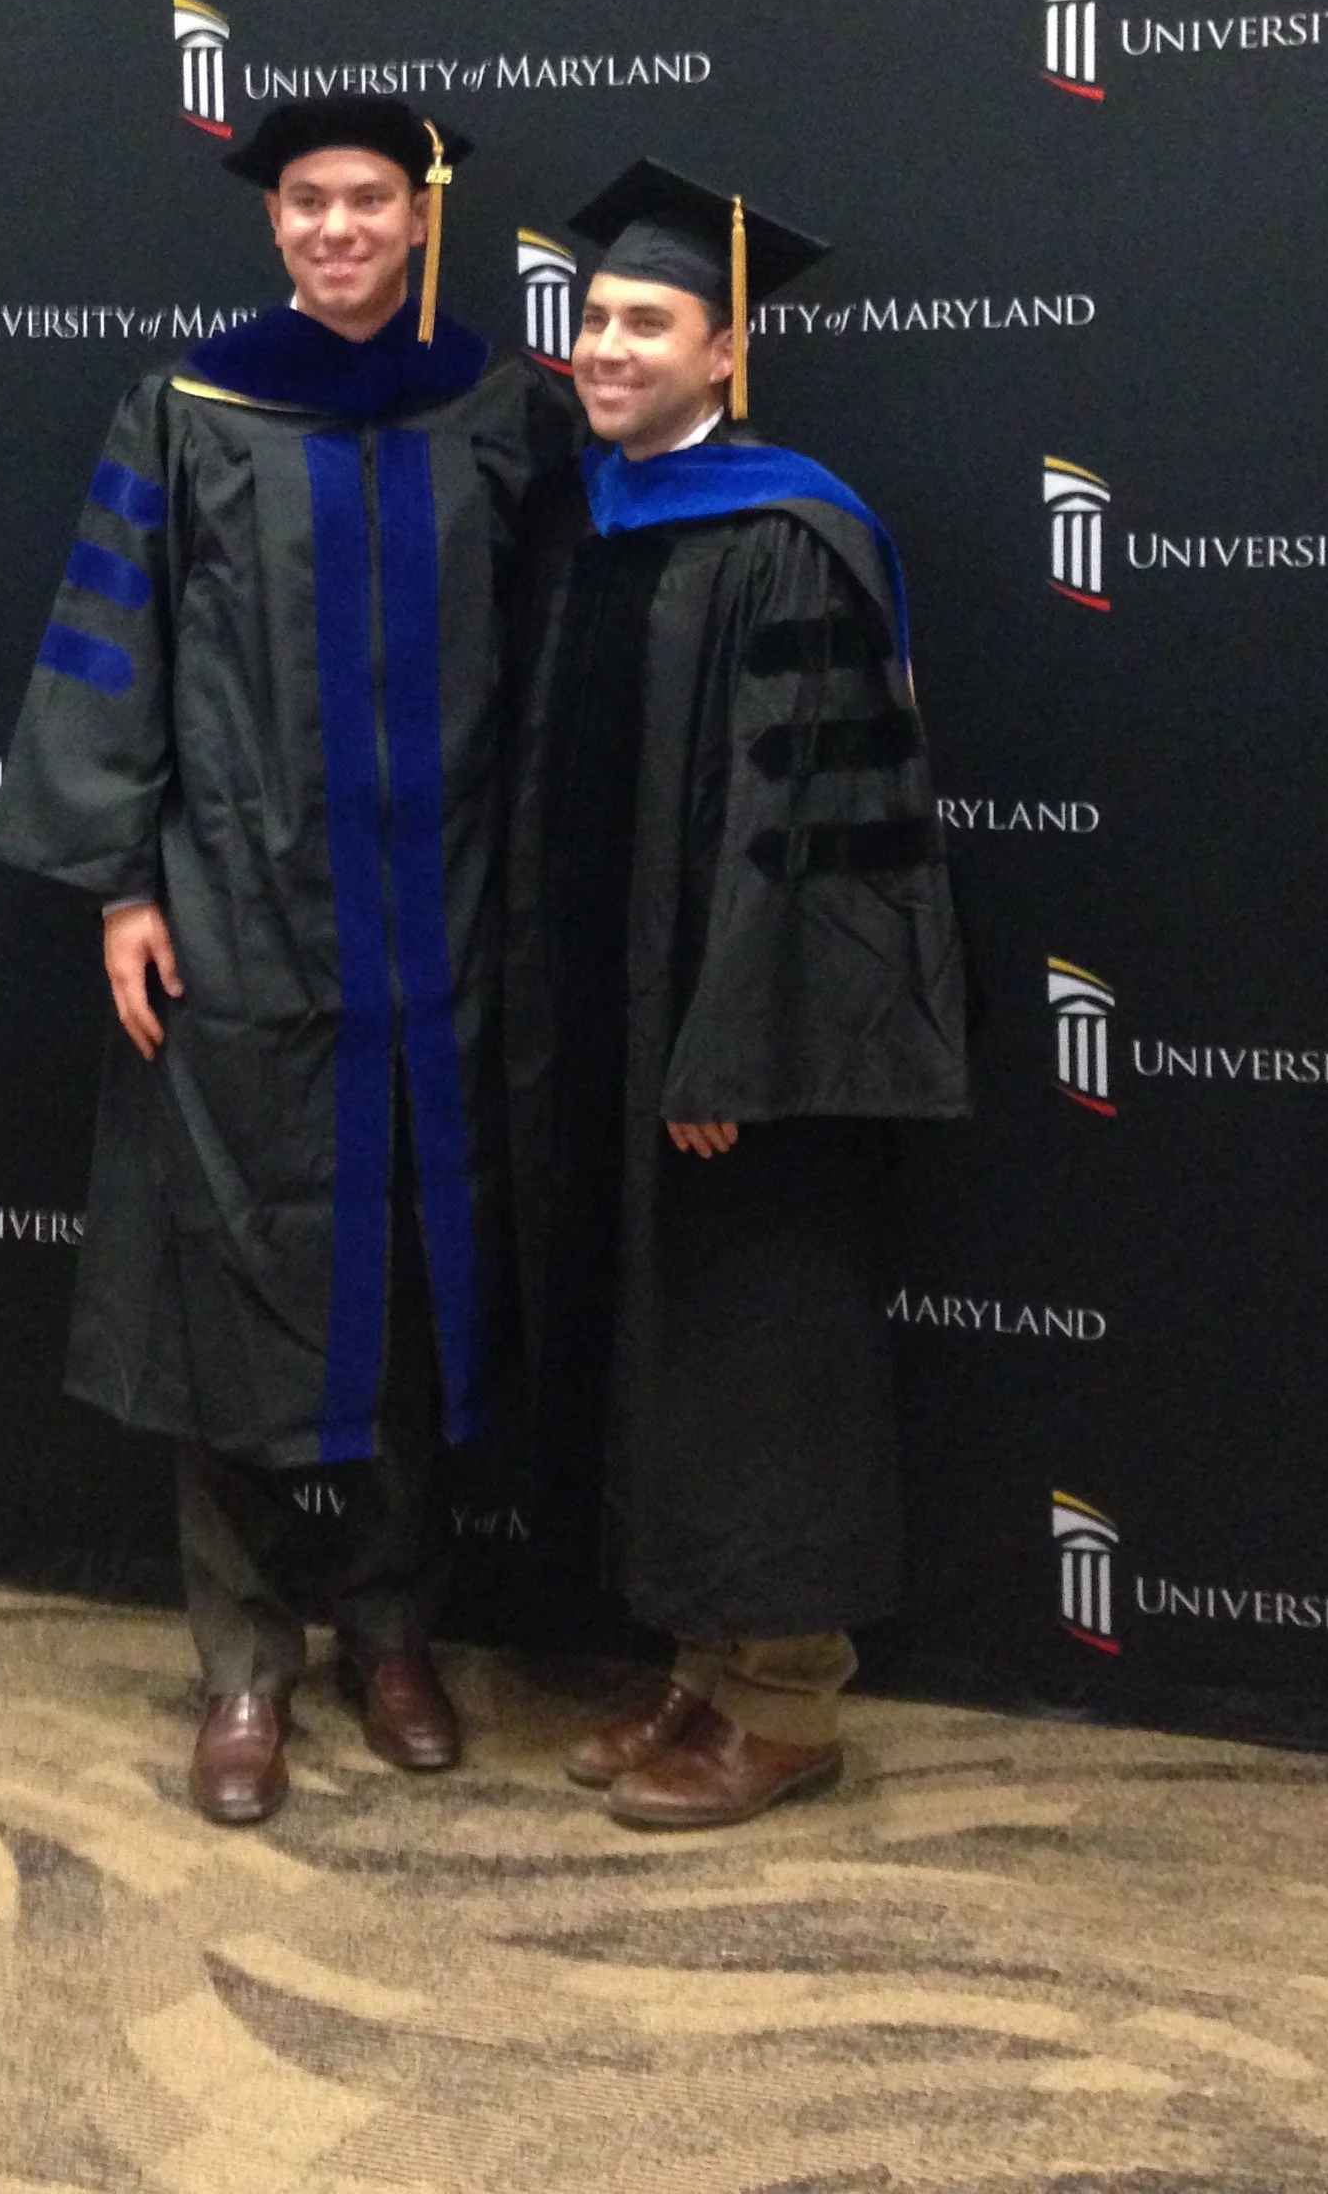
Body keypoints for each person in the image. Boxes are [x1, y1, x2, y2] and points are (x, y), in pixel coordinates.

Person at [0, 101, 575, 1826]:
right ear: (277, 228)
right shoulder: (191, 411)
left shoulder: (494, 410)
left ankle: (393, 1631)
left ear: (416, 219)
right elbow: (120, 652)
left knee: (407, 1273)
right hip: (241, 913)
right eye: (307, 201)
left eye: (367, 200)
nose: (335, 227)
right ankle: (244, 1659)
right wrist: (120, 886)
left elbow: (553, 660)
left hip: (446, 926)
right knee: (224, 1278)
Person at [503, 158, 969, 1830]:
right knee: (664, 1354)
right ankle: (702, 1669)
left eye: (649, 320)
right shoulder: (589, 521)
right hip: (616, 1029)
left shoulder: (790, 538)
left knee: (758, 1347)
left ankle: (787, 1700)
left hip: (729, 1048)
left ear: (726, 353)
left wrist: (732, 1044)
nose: (607, 347)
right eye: (591, 318)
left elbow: (815, 838)